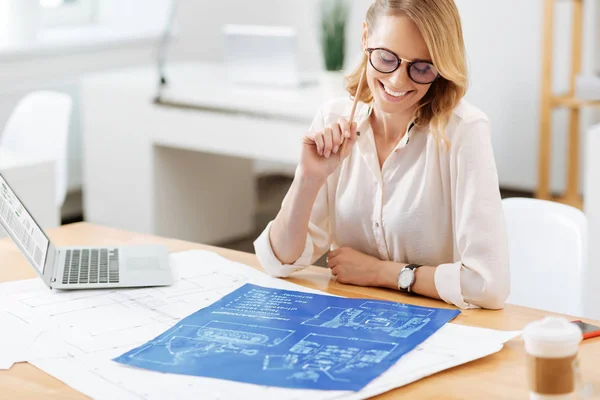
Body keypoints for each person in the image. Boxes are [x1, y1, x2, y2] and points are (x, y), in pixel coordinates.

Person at [254, 0, 510, 310]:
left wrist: (383, 273)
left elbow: (489, 285)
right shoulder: (333, 118)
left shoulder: (464, 131)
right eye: (386, 58)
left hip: (439, 325)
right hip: (350, 316)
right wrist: (308, 180)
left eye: (422, 67)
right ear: (366, 38)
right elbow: (279, 261)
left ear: (441, 68)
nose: (398, 81)